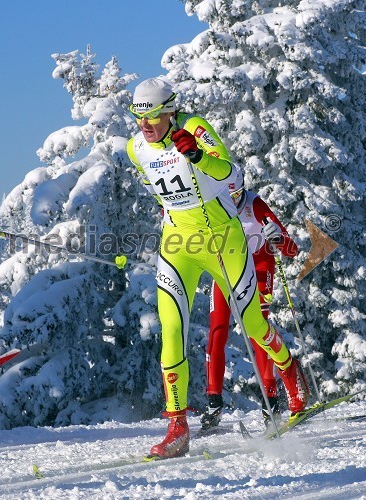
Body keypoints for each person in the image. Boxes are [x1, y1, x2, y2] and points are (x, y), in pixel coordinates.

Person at [126, 77, 309, 460]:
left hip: (222, 241)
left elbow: (233, 175)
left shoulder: (195, 128)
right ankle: (177, 426)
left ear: (171, 110)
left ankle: (290, 371)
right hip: (178, 244)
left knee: (254, 325)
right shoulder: (135, 147)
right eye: (139, 116)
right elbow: (159, 187)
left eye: (155, 115)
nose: (146, 124)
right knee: (171, 331)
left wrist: (198, 158)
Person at [202, 169, 299, 431]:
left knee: (258, 332)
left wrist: (277, 237)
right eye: (226, 194)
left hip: (258, 268)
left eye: (235, 194)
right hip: (226, 270)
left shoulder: (254, 204)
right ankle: (213, 403)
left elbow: (291, 249)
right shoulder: (212, 204)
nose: (231, 201)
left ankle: (272, 401)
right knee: (218, 330)